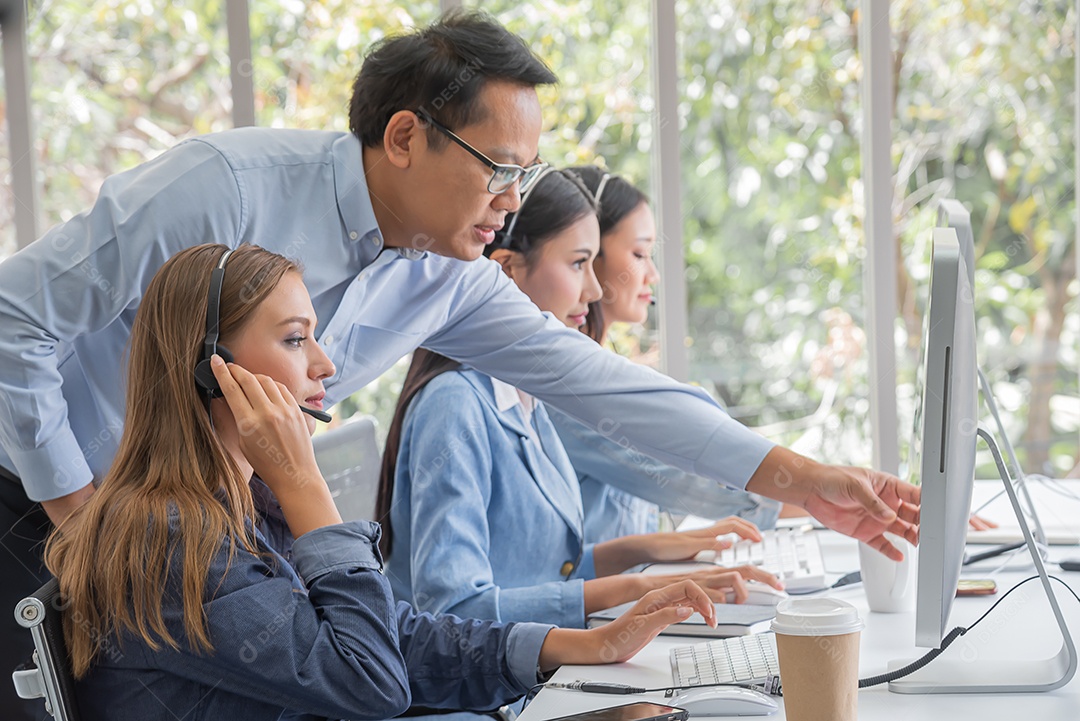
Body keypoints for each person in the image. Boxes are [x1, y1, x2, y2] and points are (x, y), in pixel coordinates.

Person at [0, 13, 917, 716]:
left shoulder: (449, 275)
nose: (514, 203)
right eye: (498, 169)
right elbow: (13, 319)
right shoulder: (223, 189)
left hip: (213, 520)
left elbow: (607, 389)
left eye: (529, 174)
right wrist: (80, 511)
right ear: (406, 137)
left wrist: (802, 478)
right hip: (54, 503)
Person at [43, 243, 721, 721]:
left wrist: (578, 645)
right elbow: (369, 681)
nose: (325, 364)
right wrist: (308, 486)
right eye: (294, 339)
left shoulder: (243, 505)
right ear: (210, 368)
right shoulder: (169, 540)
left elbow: (395, 632)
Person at [377, 170, 782, 628]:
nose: (593, 292)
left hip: (528, 676)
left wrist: (652, 550)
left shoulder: (521, 397)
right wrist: (640, 585)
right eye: (577, 264)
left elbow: (543, 570)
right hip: (485, 697)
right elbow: (453, 614)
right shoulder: (455, 404)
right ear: (508, 270)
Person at [550, 166, 783, 543]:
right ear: (590, 253)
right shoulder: (567, 387)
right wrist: (815, 491)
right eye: (640, 253)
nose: (653, 274)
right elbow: (691, 480)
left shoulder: (602, 370)